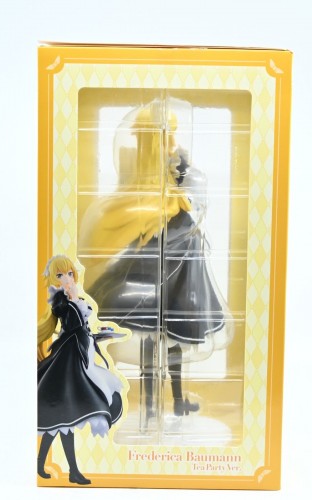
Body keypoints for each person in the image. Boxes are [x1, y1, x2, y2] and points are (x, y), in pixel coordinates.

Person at [78, 99, 231, 418]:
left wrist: (184, 182)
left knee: (175, 340)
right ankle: (148, 406)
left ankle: (176, 400)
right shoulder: (145, 192)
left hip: (184, 272)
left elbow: (195, 203)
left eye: (172, 135)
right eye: (166, 136)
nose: (172, 143)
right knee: (152, 340)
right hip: (156, 273)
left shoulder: (174, 178)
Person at [37, 255, 125, 485]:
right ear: (53, 280)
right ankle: (72, 471)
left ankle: (43, 465)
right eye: (60, 275)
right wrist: (74, 298)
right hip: (68, 363)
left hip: (80, 357)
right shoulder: (61, 303)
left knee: (61, 421)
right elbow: (74, 324)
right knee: (65, 419)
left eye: (69, 274)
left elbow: (82, 328)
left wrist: (98, 336)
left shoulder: (73, 300)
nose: (66, 279)